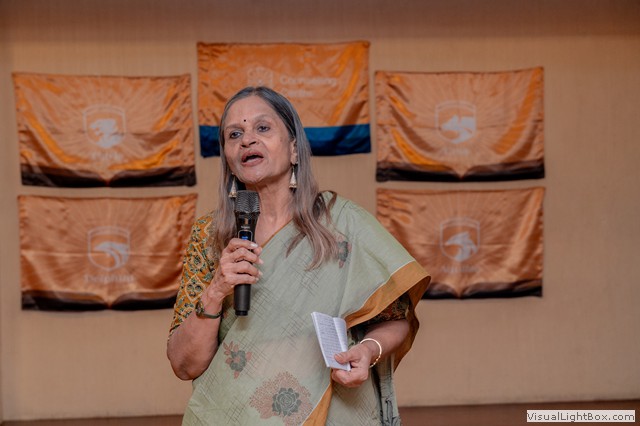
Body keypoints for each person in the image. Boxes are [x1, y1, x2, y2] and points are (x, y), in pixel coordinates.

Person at [167, 86, 430, 425]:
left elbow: (396, 318)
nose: (247, 140)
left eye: (262, 128)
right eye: (234, 134)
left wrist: (368, 350)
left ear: (294, 149)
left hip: (329, 411)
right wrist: (216, 291)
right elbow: (183, 364)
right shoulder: (209, 236)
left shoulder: (341, 224)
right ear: (228, 159)